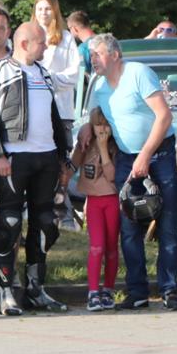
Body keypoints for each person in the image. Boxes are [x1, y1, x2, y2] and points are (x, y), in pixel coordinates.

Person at [0, 22, 72, 315]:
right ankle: (5, 291)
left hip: (46, 158)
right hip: (14, 159)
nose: (46, 46)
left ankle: (35, 289)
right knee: (10, 223)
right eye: (41, 42)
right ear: (25, 43)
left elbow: (54, 116)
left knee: (46, 223)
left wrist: (63, 157)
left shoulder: (44, 73)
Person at [86, 33, 177, 310]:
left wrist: (146, 155)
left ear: (115, 54)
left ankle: (168, 289)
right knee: (129, 227)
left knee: (167, 224)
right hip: (128, 158)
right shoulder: (99, 86)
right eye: (91, 56)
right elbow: (95, 115)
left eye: (98, 54)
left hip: (159, 154)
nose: (93, 60)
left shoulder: (138, 73)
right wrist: (85, 130)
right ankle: (137, 291)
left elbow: (164, 116)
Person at [71, 107, 120, 312]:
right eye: (98, 125)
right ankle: (93, 291)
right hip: (94, 201)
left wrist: (103, 148)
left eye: (106, 125)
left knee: (111, 248)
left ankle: (108, 289)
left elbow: (111, 176)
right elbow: (73, 164)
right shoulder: (86, 141)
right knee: (97, 247)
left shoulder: (116, 145)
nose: (102, 129)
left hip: (112, 200)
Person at [33, 0, 82, 125]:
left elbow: (74, 73)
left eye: (48, 9)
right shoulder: (28, 36)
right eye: (40, 9)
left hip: (61, 109)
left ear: (55, 11)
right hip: (35, 109)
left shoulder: (66, 37)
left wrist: (49, 80)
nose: (43, 12)